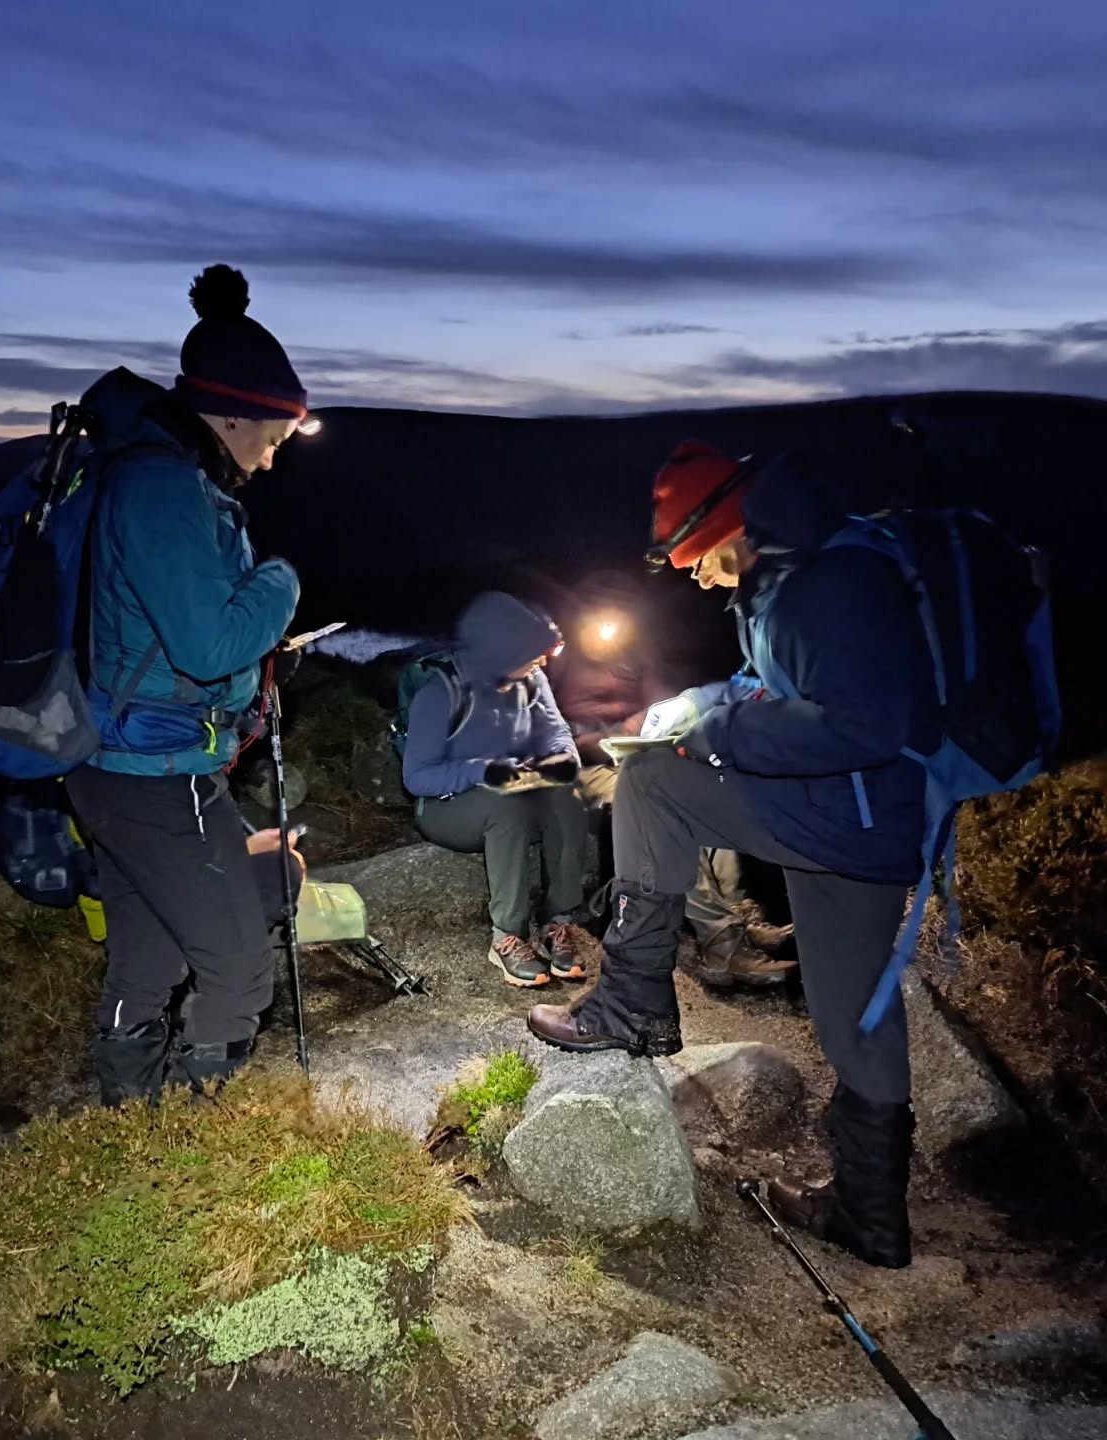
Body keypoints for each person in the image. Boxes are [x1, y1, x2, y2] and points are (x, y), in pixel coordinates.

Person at [528, 440, 941, 1269]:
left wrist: (710, 735)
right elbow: (777, 690)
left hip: (844, 815)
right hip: (869, 822)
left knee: (650, 786)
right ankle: (873, 1219)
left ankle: (635, 1002)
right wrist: (696, 704)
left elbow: (859, 725)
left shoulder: (824, 586)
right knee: (853, 1014)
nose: (701, 580)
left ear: (733, 532)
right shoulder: (809, 570)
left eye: (702, 563)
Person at [64, 264, 313, 1106]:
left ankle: (131, 1115)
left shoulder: (146, 472)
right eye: (273, 436)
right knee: (239, 972)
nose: (273, 457)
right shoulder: (164, 488)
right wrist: (280, 582)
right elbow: (207, 647)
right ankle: (203, 1141)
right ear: (232, 413)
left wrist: (256, 670)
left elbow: (167, 643)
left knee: (149, 954)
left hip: (114, 765)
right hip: (155, 775)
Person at [548, 589, 796, 988]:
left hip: (639, 761)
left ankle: (740, 916)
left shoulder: (635, 663)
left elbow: (663, 705)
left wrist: (646, 725)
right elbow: (558, 739)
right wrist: (610, 735)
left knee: (705, 801)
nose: (607, 637)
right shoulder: (564, 671)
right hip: (592, 770)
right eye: (598, 628)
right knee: (667, 813)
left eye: (613, 628)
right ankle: (720, 939)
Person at [401, 591, 598, 988]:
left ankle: (558, 922)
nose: (542, 662)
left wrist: (561, 760)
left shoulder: (531, 680)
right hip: (447, 807)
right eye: (532, 653)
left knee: (567, 796)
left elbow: (557, 732)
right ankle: (506, 936)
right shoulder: (441, 693)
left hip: (514, 791)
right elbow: (417, 776)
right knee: (505, 806)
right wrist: (483, 771)